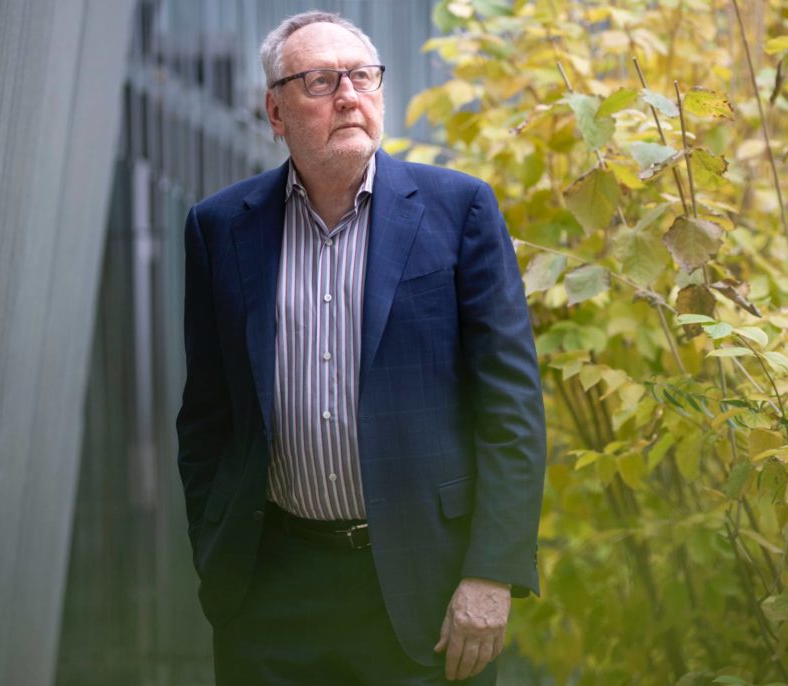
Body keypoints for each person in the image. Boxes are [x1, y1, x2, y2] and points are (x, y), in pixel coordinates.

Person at [176, 10, 546, 685]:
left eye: (362, 77)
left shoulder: (460, 209)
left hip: (426, 587)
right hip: (271, 587)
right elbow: (206, 414)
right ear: (276, 112)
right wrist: (215, 547)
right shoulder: (219, 227)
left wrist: (492, 572)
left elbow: (511, 407)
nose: (348, 95)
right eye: (320, 81)